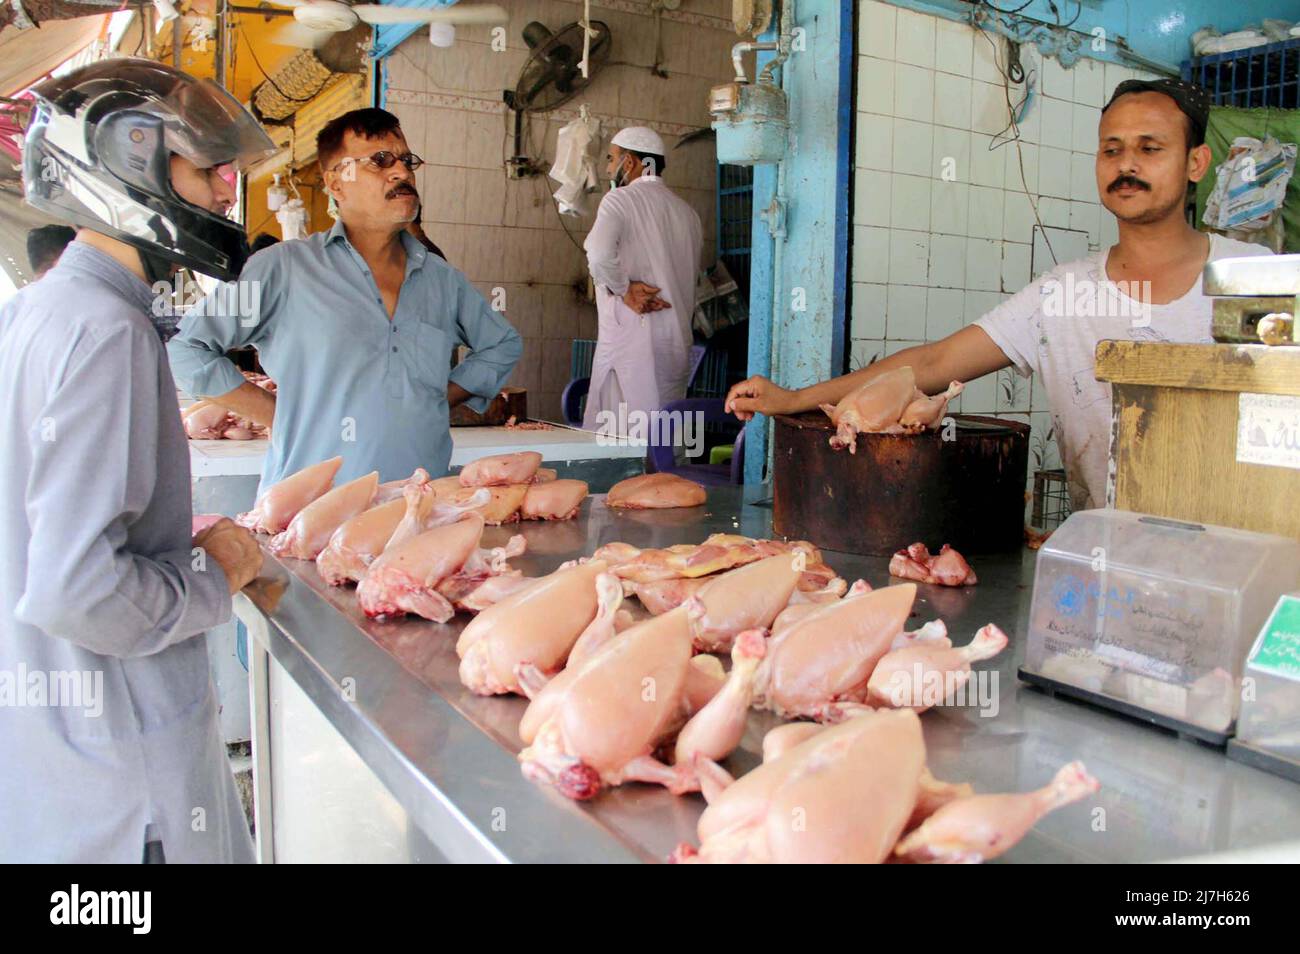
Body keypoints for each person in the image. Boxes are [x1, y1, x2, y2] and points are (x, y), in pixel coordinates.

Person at [728, 78, 1270, 513]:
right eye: (1112, 149)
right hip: (1107, 557)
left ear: (1196, 163)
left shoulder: (1256, 277)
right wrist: (796, 400)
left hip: (1240, 556)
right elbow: (932, 363)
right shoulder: (1062, 294)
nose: (1127, 165)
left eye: (1150, 148)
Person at [0, 59, 270, 863]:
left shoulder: (37, 311)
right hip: (125, 796)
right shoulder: (106, 332)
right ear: (131, 163)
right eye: (208, 169)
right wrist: (215, 572)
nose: (227, 193)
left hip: (57, 774)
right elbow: (79, 589)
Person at [168, 108, 522, 492]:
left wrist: (438, 398)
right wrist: (279, 414)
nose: (401, 172)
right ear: (336, 182)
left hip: (418, 514)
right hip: (308, 518)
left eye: (407, 161)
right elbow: (186, 347)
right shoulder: (284, 268)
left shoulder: (442, 279)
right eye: (380, 161)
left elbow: (502, 344)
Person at [582, 126, 703, 431]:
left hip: (629, 347)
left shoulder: (619, 200)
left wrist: (624, 290)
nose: (609, 168)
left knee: (617, 448)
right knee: (665, 444)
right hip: (674, 347)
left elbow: (597, 253)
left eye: (612, 159)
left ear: (631, 162)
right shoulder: (688, 214)